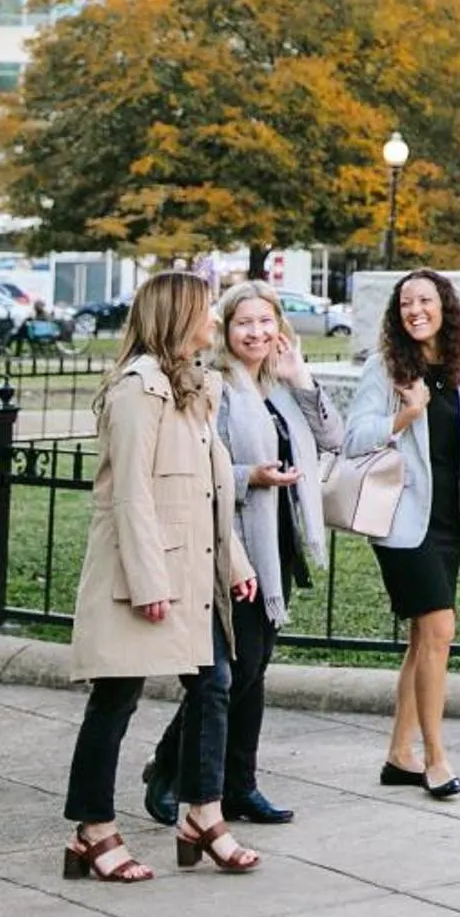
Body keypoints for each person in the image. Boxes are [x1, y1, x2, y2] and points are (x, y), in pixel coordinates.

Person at [58, 270, 262, 883]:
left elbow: (207, 492)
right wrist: (149, 584)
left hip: (194, 574)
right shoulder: (136, 390)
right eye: (207, 312)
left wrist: (236, 564)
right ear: (177, 317)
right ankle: (92, 829)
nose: (216, 323)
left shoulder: (197, 389)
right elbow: (130, 497)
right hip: (145, 577)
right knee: (116, 698)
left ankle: (203, 812)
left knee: (214, 684)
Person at [142, 282, 341, 825]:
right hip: (233, 540)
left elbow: (334, 438)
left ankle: (239, 784)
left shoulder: (281, 386)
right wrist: (250, 476)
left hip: (279, 540)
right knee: (237, 670)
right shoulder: (218, 388)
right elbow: (197, 466)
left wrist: (302, 378)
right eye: (243, 323)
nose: (256, 332)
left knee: (255, 671)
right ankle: (170, 767)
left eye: (265, 321)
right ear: (227, 332)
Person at [344, 269, 460, 799]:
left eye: (424, 300)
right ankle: (436, 758)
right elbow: (353, 439)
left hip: (448, 521)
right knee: (440, 630)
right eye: (404, 304)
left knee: (423, 639)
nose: (415, 310)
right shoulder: (385, 368)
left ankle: (399, 756)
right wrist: (407, 413)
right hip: (402, 523)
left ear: (445, 305)